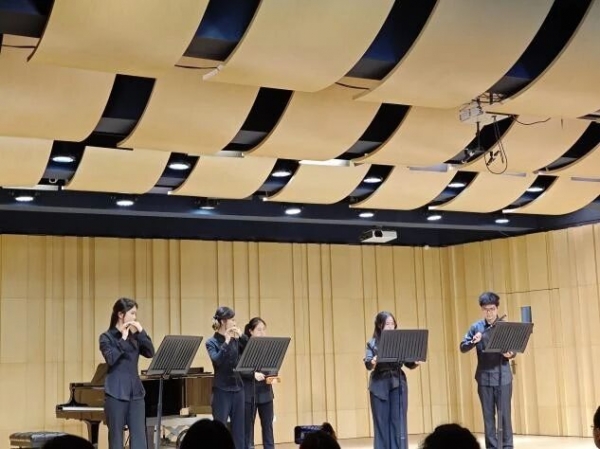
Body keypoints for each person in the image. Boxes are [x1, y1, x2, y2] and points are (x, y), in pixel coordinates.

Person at [460, 292, 515, 449]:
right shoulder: (476, 327)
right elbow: (463, 347)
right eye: (485, 309)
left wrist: (510, 354)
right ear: (482, 310)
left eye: (492, 309)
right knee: (488, 417)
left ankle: (507, 446)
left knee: (505, 416)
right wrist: (473, 341)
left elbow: (513, 349)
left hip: (503, 377)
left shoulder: (505, 327)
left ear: (497, 308)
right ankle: (491, 447)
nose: (489, 312)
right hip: (484, 378)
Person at [99, 298, 154, 449]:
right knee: (116, 439)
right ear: (121, 314)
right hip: (115, 393)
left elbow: (150, 352)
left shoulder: (135, 337)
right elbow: (111, 359)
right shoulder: (106, 337)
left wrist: (141, 331)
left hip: (135, 393)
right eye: (132, 313)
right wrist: (123, 338)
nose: (135, 317)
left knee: (139, 440)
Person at [364, 311, 419, 449]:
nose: (390, 326)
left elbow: (408, 363)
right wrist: (373, 361)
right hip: (379, 385)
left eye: (392, 324)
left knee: (398, 422)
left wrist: (415, 362)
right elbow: (368, 364)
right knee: (381, 423)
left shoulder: (400, 342)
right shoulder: (372, 343)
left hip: (397, 382)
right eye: (387, 324)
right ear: (380, 325)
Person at [206, 306, 245, 449]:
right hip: (222, 391)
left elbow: (250, 349)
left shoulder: (236, 341)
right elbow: (217, 361)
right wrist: (226, 342)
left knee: (239, 431)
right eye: (232, 320)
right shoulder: (211, 342)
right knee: (219, 430)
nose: (235, 322)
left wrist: (241, 337)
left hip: (238, 389)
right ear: (223, 321)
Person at [239, 317, 275, 449]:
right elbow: (239, 369)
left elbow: (273, 365)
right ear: (251, 331)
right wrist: (253, 374)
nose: (262, 333)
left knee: (268, 427)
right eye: (259, 330)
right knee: (248, 430)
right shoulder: (242, 347)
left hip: (266, 393)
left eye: (264, 329)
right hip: (249, 393)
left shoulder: (267, 347)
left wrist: (272, 375)